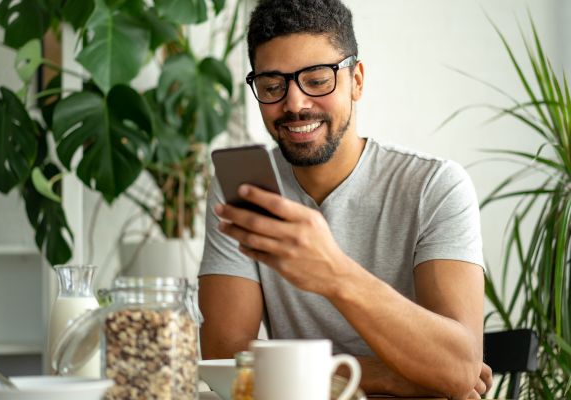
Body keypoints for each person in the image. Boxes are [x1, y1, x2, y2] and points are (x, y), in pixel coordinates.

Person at [198, 0, 493, 398]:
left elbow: (458, 369)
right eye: (272, 86)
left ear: (356, 80)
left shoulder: (434, 187)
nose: (295, 104)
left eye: (318, 81)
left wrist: (334, 272)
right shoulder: (247, 191)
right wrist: (383, 375)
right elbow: (222, 354)